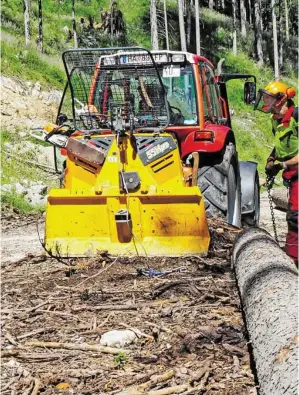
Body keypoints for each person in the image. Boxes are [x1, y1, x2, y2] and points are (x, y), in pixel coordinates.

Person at [255, 81, 298, 264]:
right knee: (293, 215)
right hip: (292, 171)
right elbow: (282, 144)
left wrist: (282, 164)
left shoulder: (296, 117)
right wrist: (273, 157)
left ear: (281, 100)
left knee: (296, 217)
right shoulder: (276, 120)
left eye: (269, 98)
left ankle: (293, 259)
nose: (266, 101)